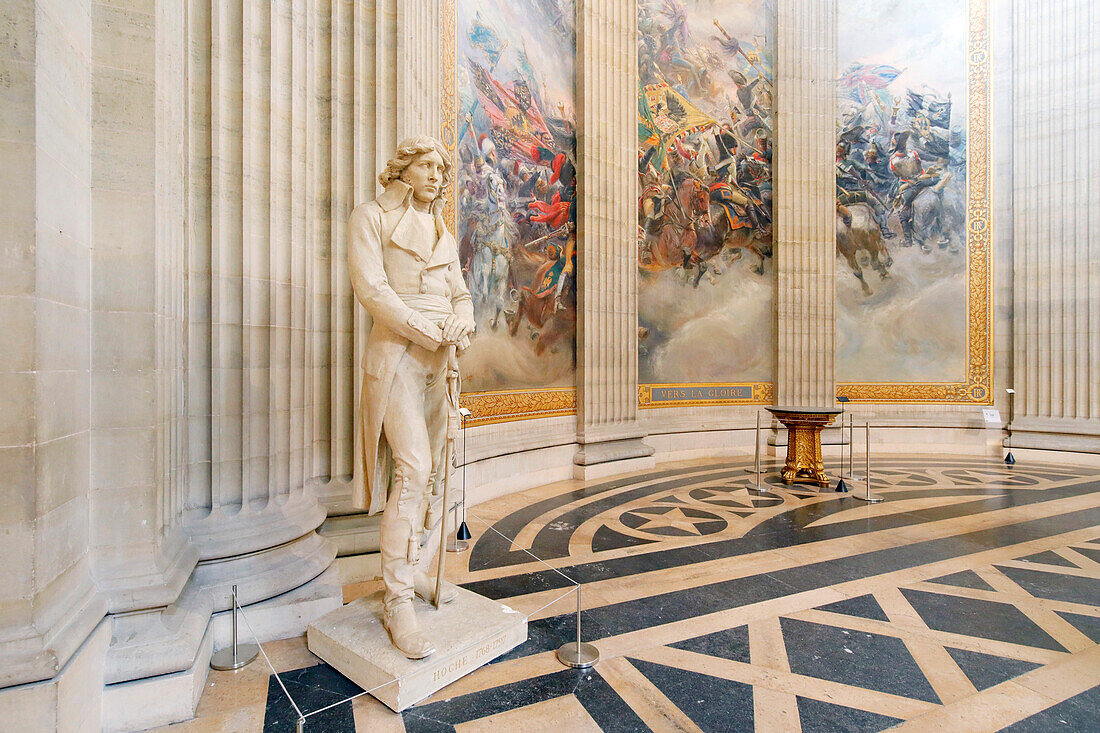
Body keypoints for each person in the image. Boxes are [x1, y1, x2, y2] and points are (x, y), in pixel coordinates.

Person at [348, 136, 476, 659]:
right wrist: (428, 328)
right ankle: (397, 600)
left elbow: (461, 292)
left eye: (442, 168)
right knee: (413, 469)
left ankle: (417, 570)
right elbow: (372, 291)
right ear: (404, 167)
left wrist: (463, 324)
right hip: (398, 354)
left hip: (440, 360)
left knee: (438, 471)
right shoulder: (371, 218)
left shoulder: (443, 228)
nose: (436, 175)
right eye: (427, 165)